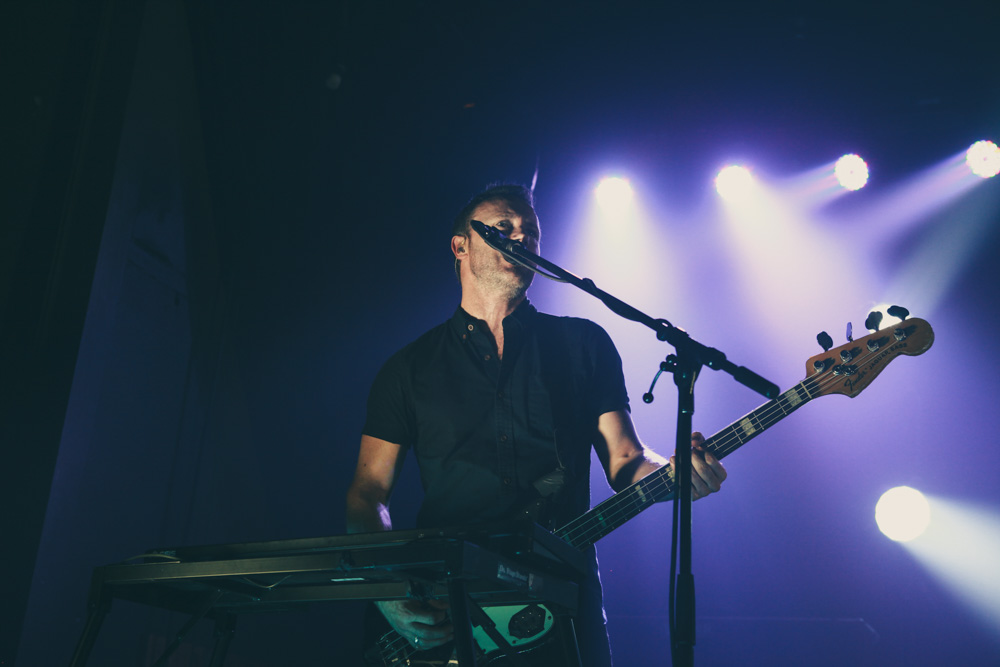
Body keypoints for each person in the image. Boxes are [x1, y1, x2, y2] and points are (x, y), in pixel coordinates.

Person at [345, 183, 727, 666]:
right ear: (460, 245)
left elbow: (626, 460)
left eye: (531, 232)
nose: (520, 238)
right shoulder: (409, 368)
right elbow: (367, 493)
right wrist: (386, 587)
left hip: (561, 594)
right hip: (450, 601)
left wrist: (675, 474)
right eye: (503, 227)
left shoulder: (583, 344)